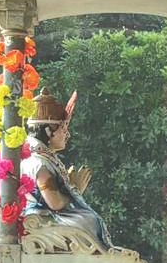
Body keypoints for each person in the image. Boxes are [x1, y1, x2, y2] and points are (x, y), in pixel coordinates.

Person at [20, 89, 113, 249]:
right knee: (89, 220)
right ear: (49, 131)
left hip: (42, 218)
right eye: (63, 129)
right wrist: (75, 188)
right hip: (41, 220)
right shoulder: (39, 162)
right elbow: (55, 203)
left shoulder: (38, 157)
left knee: (88, 218)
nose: (67, 135)